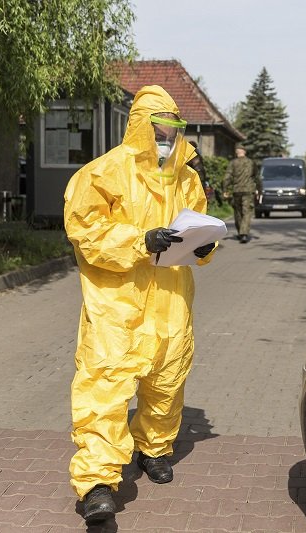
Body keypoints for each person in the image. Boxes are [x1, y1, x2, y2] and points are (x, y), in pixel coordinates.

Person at [63, 85, 218, 525]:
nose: (167, 136)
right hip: (118, 302)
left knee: (167, 380)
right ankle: (97, 482)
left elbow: (200, 222)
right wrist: (138, 241)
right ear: (140, 126)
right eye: (160, 127)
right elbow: (85, 232)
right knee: (105, 387)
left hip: (170, 298)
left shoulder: (185, 176)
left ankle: (153, 447)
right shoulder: (103, 173)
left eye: (173, 128)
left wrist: (206, 247)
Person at [222, 142, 259, 243]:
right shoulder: (251, 162)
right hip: (248, 191)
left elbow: (227, 177)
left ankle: (240, 232)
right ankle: (244, 233)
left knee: (238, 212)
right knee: (247, 212)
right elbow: (257, 177)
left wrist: (225, 189)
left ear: (236, 152)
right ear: (245, 151)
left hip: (236, 191)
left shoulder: (232, 163)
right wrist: (259, 190)